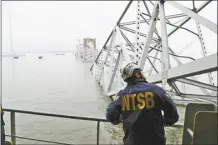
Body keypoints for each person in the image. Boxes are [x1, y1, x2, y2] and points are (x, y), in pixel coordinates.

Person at [106, 62, 179, 145]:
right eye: (141, 72)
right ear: (137, 74)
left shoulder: (123, 95)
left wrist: (119, 120)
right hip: (156, 141)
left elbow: (110, 113)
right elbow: (173, 113)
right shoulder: (156, 90)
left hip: (132, 142)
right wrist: (163, 122)